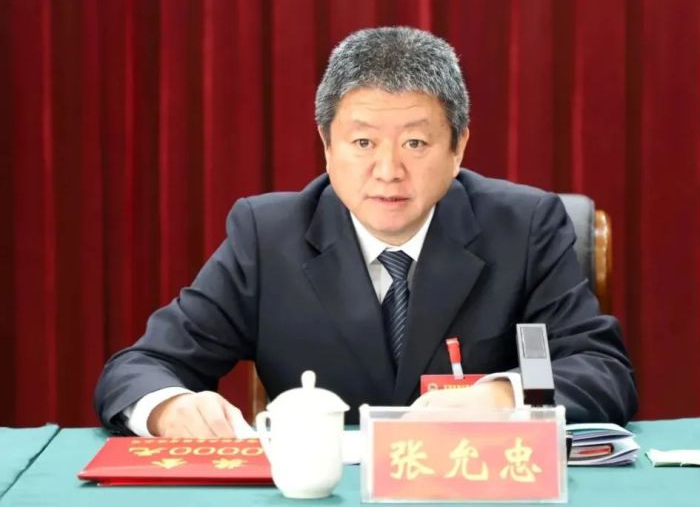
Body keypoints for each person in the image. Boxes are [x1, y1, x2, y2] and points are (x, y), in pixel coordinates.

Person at [95, 26, 637, 437]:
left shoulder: (524, 226)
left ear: (458, 149)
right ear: (327, 147)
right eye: (362, 143)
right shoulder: (268, 236)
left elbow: (601, 371)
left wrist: (503, 398)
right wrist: (168, 407)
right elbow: (143, 366)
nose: (388, 171)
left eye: (415, 143)